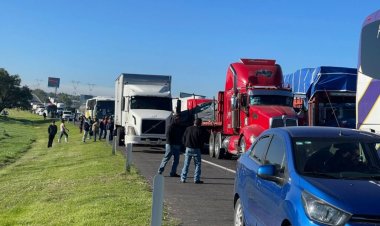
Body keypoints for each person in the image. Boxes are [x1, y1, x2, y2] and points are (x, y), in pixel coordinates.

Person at [180, 118, 209, 184]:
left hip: (188, 148)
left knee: (186, 164)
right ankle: (196, 179)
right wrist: (201, 147)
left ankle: (183, 178)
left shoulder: (188, 129)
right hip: (196, 149)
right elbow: (202, 140)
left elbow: (184, 138)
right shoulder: (200, 130)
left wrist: (185, 145)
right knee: (197, 164)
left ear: (194, 122)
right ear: (200, 123)